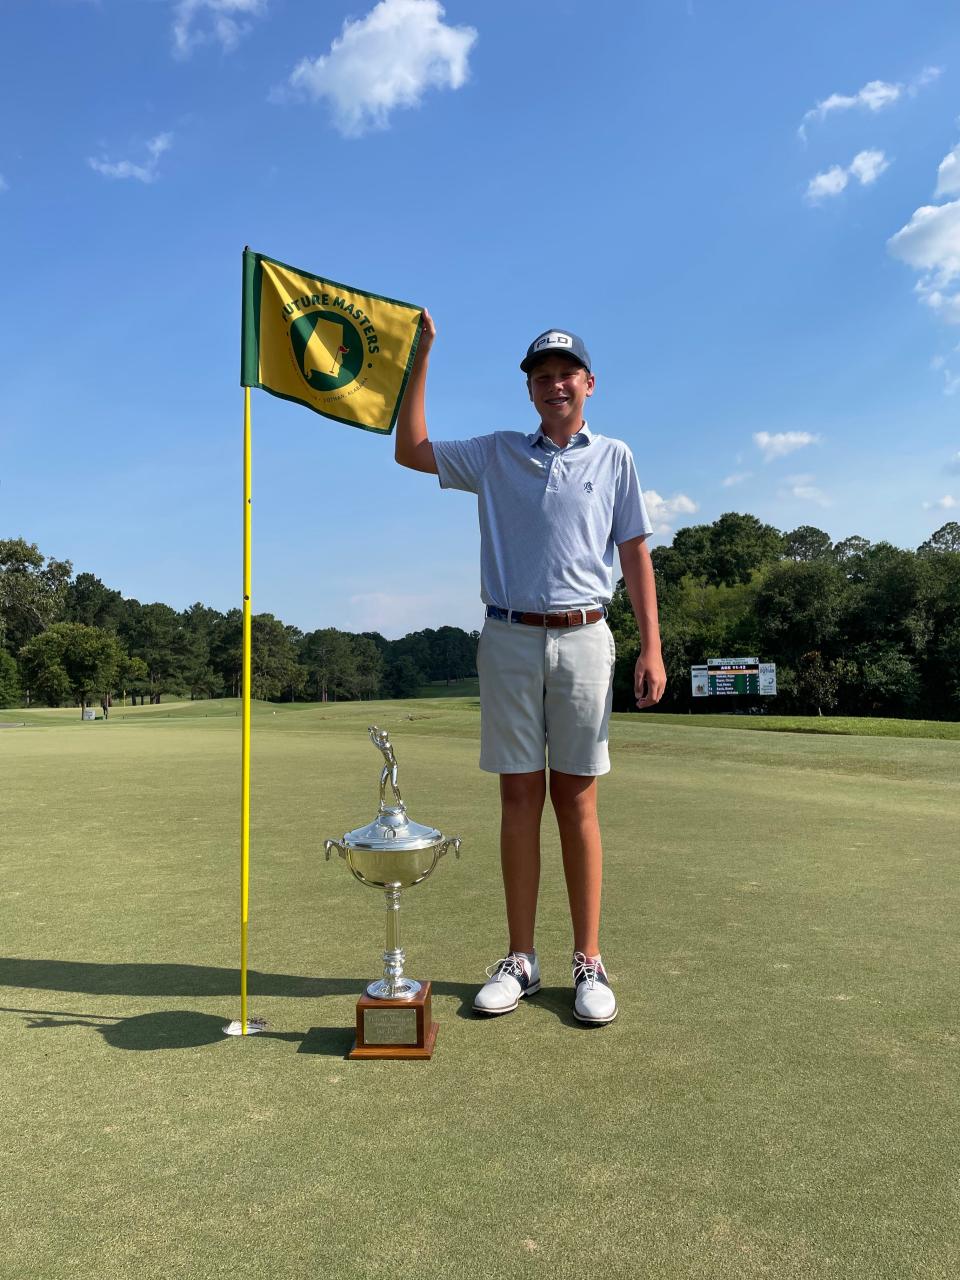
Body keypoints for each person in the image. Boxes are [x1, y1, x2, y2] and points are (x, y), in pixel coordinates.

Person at [395, 314, 666, 1025]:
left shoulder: (614, 458)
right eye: (541, 377)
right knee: (519, 798)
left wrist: (653, 647)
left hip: (585, 636)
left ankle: (588, 960)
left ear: (588, 383)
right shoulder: (495, 453)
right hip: (509, 637)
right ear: (530, 389)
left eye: (565, 374)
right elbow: (411, 450)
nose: (554, 386)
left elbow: (634, 554)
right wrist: (420, 355)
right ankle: (521, 958)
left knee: (576, 800)